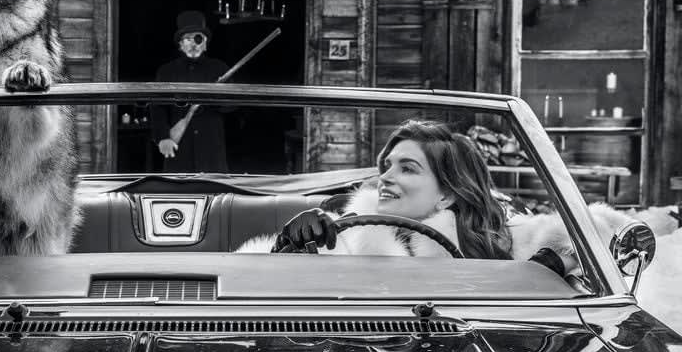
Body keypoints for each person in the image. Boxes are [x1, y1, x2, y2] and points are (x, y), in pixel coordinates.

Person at [238, 119, 597, 278]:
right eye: (387, 166)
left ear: (446, 195)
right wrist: (287, 251)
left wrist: (547, 269)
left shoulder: (502, 238)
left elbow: (602, 235)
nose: (385, 177)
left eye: (407, 168)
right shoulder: (340, 238)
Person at [149, 10, 230, 173]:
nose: (193, 44)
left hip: (211, 152)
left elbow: (232, 107)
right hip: (179, 151)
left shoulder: (220, 69)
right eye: (187, 39)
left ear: (205, 43)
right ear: (180, 44)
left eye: (198, 39)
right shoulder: (166, 72)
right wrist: (163, 137)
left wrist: (216, 96)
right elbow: (158, 108)